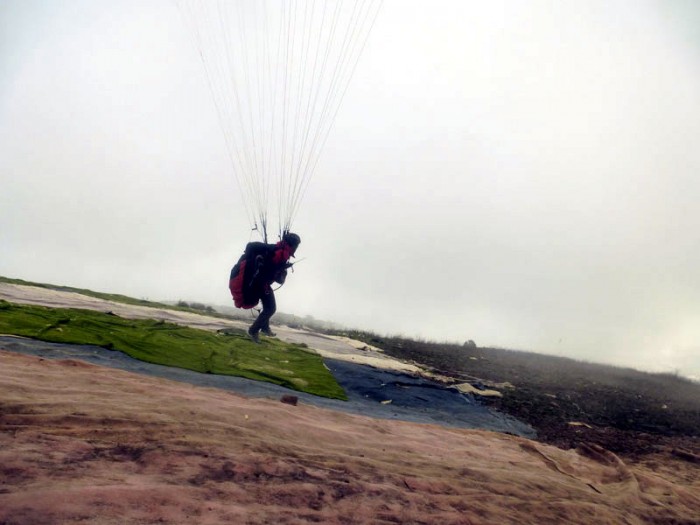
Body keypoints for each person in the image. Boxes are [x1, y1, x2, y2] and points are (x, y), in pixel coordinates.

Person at [228, 232, 301, 343]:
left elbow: (274, 275)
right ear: (292, 245)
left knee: (268, 306)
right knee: (271, 308)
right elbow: (250, 246)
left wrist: (282, 270)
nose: (296, 249)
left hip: (261, 282)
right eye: (296, 246)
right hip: (257, 282)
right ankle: (253, 331)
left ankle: (265, 328)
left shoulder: (283, 254)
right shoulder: (276, 250)